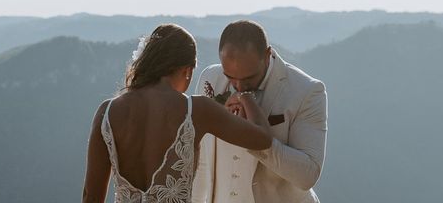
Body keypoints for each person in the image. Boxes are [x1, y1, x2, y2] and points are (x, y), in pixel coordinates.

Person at [82, 23, 273, 203]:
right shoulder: (196, 110)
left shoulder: (106, 112)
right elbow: (263, 139)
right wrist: (244, 94)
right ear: (187, 70)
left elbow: (91, 196)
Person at [192, 20, 327, 203]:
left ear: (267, 54)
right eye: (230, 77)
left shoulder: (307, 91)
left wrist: (258, 139)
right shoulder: (210, 79)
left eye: (249, 78)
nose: (239, 86)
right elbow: (203, 161)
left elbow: (308, 175)